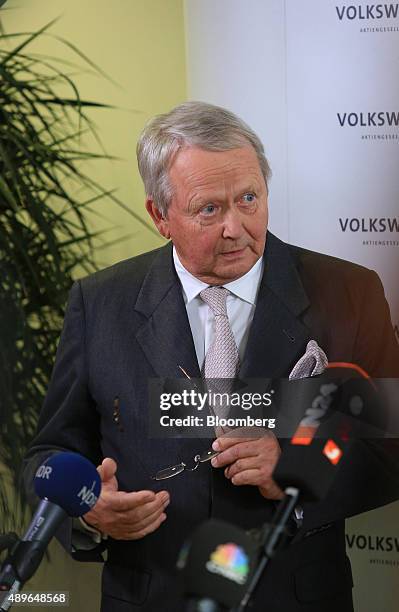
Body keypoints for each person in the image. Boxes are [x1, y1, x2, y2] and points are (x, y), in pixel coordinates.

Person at [23, 101, 399, 612]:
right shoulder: (100, 304)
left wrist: (296, 470)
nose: (235, 227)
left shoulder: (348, 292)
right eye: (209, 209)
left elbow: (391, 447)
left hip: (296, 596)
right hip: (150, 596)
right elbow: (49, 455)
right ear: (160, 215)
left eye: (249, 198)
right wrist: (88, 513)